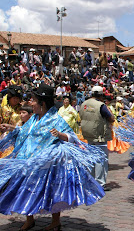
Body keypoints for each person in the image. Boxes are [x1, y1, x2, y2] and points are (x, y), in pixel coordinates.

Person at [0, 83, 106, 231]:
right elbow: (25, 131)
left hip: (46, 163)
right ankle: (29, 219)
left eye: (33, 100)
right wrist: (11, 128)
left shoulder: (55, 119)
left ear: (42, 104)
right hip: (28, 160)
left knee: (53, 189)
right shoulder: (33, 119)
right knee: (26, 188)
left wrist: (61, 135)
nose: (30, 103)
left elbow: (72, 137)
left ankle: (55, 221)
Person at [79, 86, 115, 191]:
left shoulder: (83, 104)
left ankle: (91, 182)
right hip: (100, 136)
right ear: (100, 95)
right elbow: (111, 118)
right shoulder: (101, 105)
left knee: (91, 159)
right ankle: (100, 183)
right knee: (101, 161)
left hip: (88, 135)